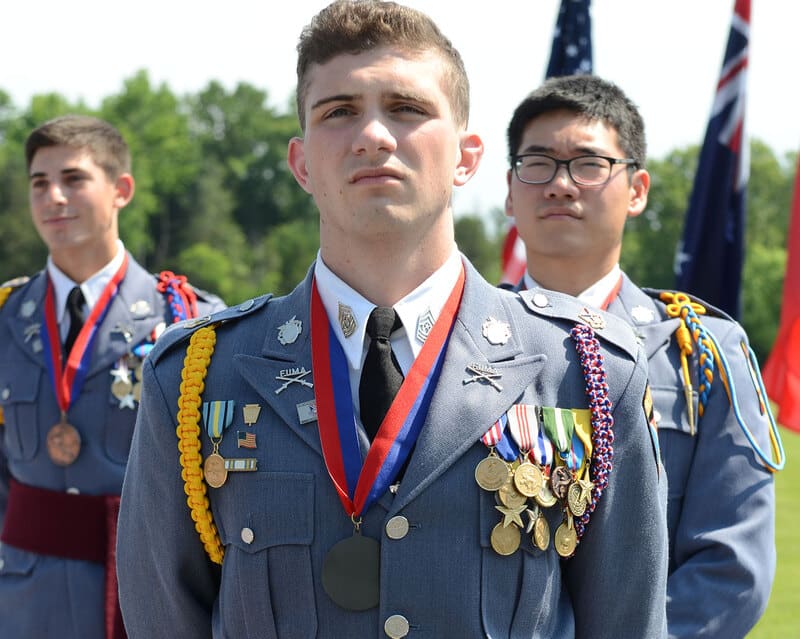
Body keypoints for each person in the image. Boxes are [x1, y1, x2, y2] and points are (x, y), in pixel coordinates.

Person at [116, 2, 668, 637]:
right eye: (339, 111)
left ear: (467, 157)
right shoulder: (195, 377)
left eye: (407, 109)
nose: (373, 135)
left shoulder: (584, 370)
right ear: (300, 164)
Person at [503, 74, 783, 639]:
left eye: (589, 164)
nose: (561, 185)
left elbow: (732, 567)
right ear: (509, 191)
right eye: (538, 164)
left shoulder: (704, 354)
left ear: (637, 190)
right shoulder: (449, 347)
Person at [0, 114, 225, 639]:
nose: (54, 197)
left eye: (73, 179)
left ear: (121, 189)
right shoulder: (7, 318)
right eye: (40, 183)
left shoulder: (188, 321)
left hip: (145, 598)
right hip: (21, 601)